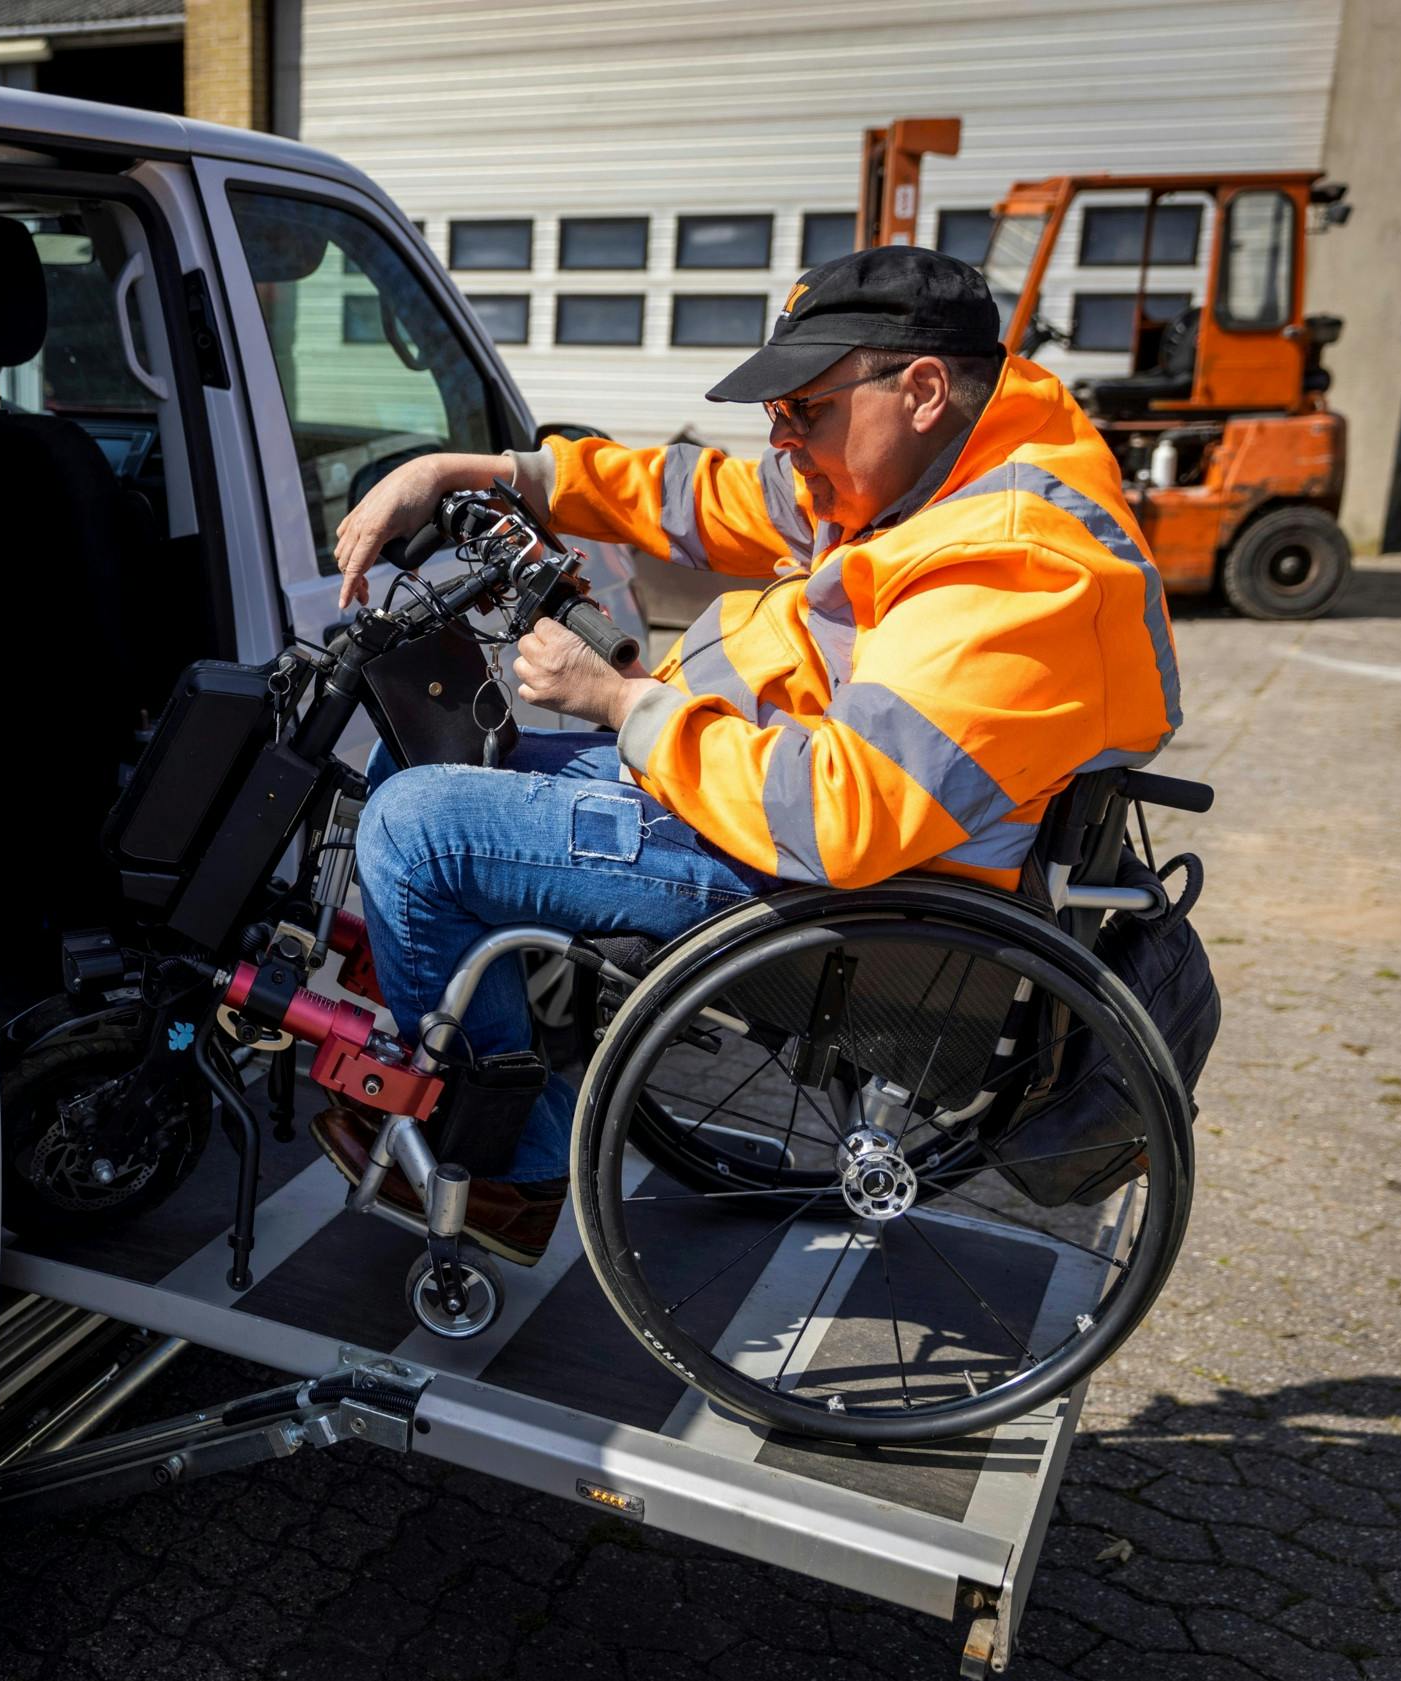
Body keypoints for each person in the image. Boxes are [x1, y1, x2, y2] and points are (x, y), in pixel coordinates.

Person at [320, 247, 1184, 1265]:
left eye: (802, 411)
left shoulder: (1011, 563)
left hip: (828, 875)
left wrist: (622, 702)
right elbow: (709, 495)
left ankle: (509, 1168)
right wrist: (483, 471)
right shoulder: (937, 459)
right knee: (420, 766)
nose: (779, 441)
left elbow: (838, 819)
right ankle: (503, 1059)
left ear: (918, 387)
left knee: (414, 828)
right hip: (736, 788)